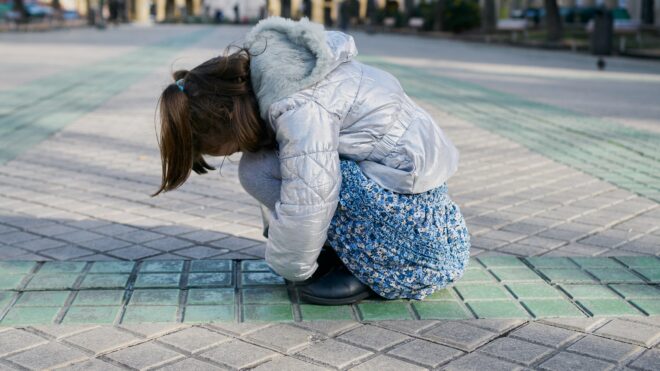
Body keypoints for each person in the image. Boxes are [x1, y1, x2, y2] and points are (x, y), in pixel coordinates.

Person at [154, 17, 470, 305]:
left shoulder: (298, 105)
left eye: (219, 148)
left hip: (412, 223)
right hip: (392, 190)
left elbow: (310, 198)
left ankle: (366, 266)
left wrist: (292, 268)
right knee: (267, 165)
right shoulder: (279, 80)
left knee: (271, 171)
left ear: (226, 119)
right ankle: (336, 251)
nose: (232, 152)